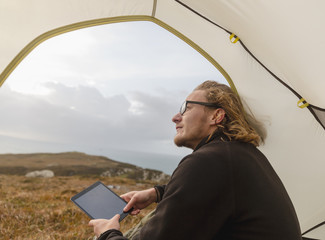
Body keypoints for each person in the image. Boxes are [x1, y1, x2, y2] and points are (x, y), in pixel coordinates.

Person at [89, 81, 302, 240]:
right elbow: (215, 193)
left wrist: (108, 234)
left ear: (216, 116)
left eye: (187, 108)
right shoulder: (241, 155)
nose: (176, 117)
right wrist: (157, 193)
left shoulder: (208, 162)